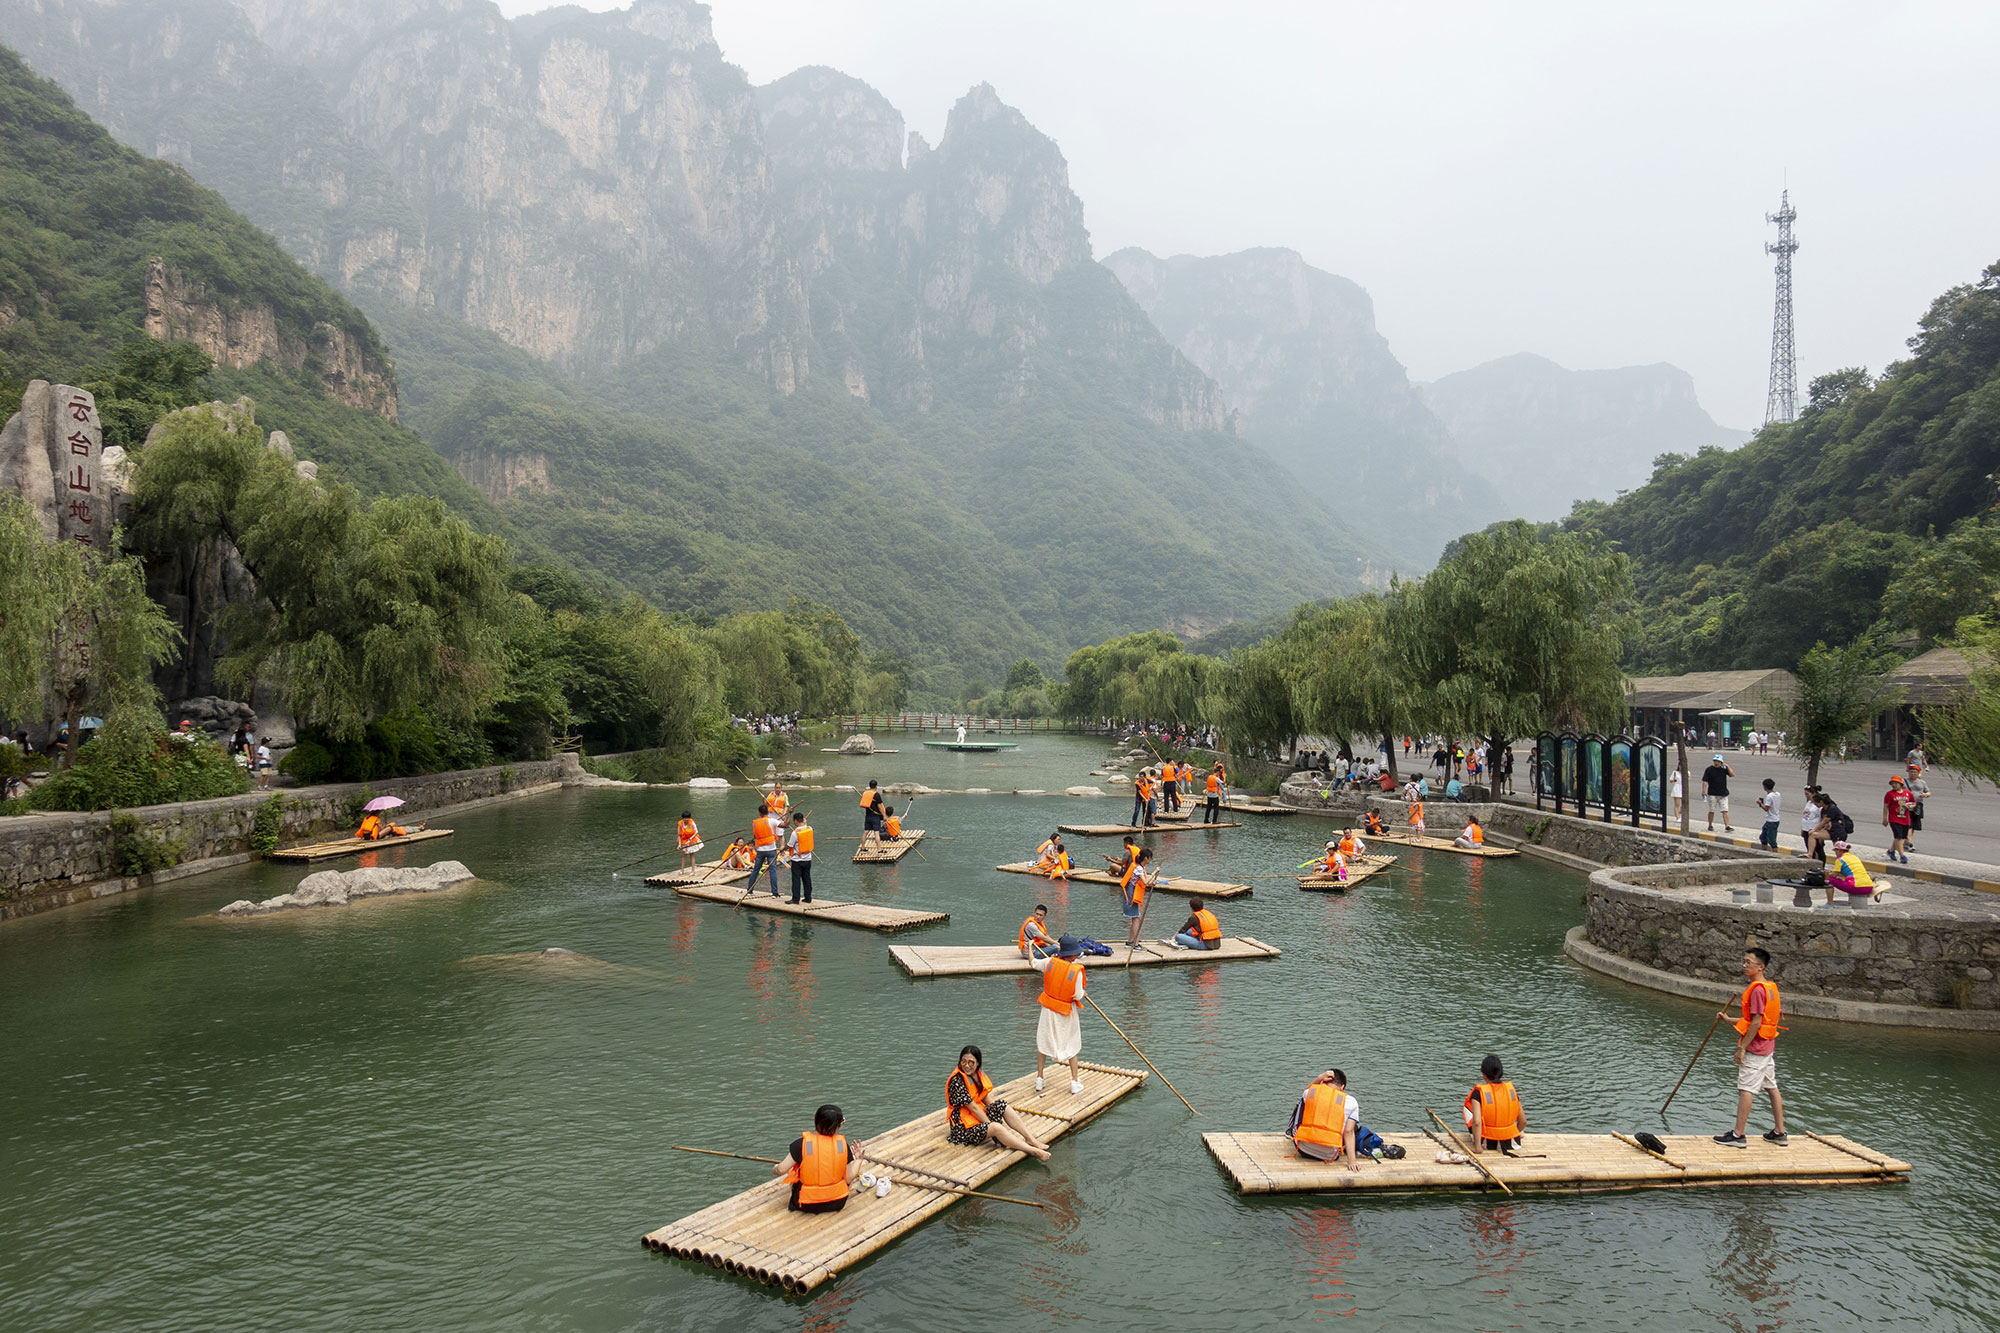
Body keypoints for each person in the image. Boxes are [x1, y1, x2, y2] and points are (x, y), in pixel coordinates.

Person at [1714, 948, 1788, 1148]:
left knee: (1746, 1089)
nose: (1744, 965)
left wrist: (1742, 1048)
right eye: (1743, 961)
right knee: (1771, 1087)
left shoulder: (1756, 990)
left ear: (1760, 967)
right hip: (1767, 1046)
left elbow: (1756, 1023)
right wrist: (1729, 1019)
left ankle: (1738, 1135)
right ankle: (1779, 1132)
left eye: (1749, 962)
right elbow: (1755, 1020)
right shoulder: (1768, 987)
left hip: (1755, 1048)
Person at [946, 1045, 1052, 1161]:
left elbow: (986, 1099)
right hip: (962, 1129)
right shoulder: (957, 1081)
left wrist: (998, 1111)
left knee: (1002, 1105)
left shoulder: (977, 1075)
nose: (966, 1066)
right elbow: (974, 1109)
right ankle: (1033, 1151)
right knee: (996, 1127)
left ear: (977, 1063)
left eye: (971, 1063)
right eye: (963, 1062)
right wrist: (991, 1127)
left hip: (975, 1119)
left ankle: (1030, 1139)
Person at [773, 1104, 868, 1212]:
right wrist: (859, 1159)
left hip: (805, 1203)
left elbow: (781, 1170)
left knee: (795, 1172)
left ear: (815, 1122)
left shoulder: (802, 1144)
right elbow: (849, 1178)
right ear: (839, 1126)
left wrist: (775, 1168)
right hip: (837, 1202)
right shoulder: (842, 1146)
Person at [1031, 936, 1087, 1095]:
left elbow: (1033, 962)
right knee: (1072, 1043)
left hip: (1048, 1009)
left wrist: (1029, 947)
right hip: (1065, 1012)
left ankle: (1039, 1079)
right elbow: (1077, 995)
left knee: (1043, 1041)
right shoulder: (1076, 972)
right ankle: (1075, 1082)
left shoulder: (1049, 962)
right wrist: (1083, 992)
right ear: (1074, 954)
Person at [1289, 1070, 1362, 1173]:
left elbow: (1304, 1094)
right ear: (1342, 1087)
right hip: (1330, 1155)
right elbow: (1348, 1132)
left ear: (1324, 1082)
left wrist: (1318, 1078)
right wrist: (1352, 1161)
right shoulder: (1351, 1101)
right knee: (1352, 1127)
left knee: (1303, 1103)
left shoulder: (1310, 1092)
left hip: (1303, 1148)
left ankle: (1291, 1132)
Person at [1462, 1055, 1526, 1154]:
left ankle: (1479, 1144)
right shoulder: (1511, 1091)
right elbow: (1523, 1121)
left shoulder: (1478, 1093)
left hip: (1487, 1142)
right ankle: (1518, 1133)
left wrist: (1477, 1148)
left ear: (1483, 1074)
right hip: (1512, 1143)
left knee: (1468, 1109)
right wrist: (1516, 1131)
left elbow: (1477, 1122)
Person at [1118, 847, 1155, 949]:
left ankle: (1130, 941)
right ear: (1146, 858)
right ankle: (1135, 944)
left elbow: (1144, 882)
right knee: (1136, 918)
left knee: (1136, 918)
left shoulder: (1141, 868)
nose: (1150, 860)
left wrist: (1152, 883)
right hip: (1131, 895)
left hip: (1133, 894)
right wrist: (1154, 872)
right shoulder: (1138, 868)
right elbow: (1145, 881)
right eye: (1150, 858)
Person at [745, 803, 781, 897]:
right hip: (771, 849)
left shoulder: (756, 822)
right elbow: (785, 825)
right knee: (772, 871)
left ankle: (749, 891)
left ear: (760, 813)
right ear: (768, 812)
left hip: (760, 850)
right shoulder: (772, 821)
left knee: (756, 870)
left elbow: (755, 835)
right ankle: (775, 893)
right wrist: (789, 814)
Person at [1882, 774, 1916, 864]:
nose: (1894, 785)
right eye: (1892, 783)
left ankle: (1891, 851)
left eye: (1896, 783)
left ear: (1900, 784)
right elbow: (1886, 807)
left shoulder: (1907, 793)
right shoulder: (1889, 794)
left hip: (1905, 818)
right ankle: (1902, 856)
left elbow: (1913, 802)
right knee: (1898, 837)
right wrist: (1885, 818)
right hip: (1894, 818)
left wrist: (1909, 806)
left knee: (1901, 837)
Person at [786, 812, 816, 903]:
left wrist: (783, 847)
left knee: (796, 880)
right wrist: (805, 823)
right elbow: (806, 826)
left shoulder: (795, 833)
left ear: (795, 821)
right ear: (803, 820)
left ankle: (795, 899)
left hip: (797, 860)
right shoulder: (810, 829)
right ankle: (808, 898)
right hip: (808, 859)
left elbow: (790, 845)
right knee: (807, 879)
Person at [1702, 753, 1733, 833]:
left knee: (1725, 810)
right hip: (1712, 793)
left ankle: (1727, 826)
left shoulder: (1724, 769)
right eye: (1715, 761)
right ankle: (1710, 825)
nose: (1716, 762)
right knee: (1711, 810)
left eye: (1718, 761)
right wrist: (1704, 791)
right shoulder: (1709, 769)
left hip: (1723, 793)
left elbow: (1732, 774)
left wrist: (1727, 766)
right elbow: (1705, 781)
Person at [1906, 765, 1930, 851]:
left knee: (1914, 826)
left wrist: (1925, 795)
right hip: (1907, 806)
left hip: (1918, 806)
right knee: (1909, 825)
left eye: (1915, 772)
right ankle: (1909, 843)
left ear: (1918, 773)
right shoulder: (1904, 782)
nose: (1912, 774)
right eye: (1911, 772)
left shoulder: (1922, 782)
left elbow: (1928, 792)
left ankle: (1907, 841)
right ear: (1908, 772)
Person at [1797, 786, 1823, 860]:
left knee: (1818, 849)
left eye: (1807, 794)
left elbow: (1821, 818)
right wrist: (1802, 828)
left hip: (1813, 828)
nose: (1806, 796)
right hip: (1806, 827)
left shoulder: (1818, 805)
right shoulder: (1808, 803)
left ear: (1813, 793)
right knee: (1809, 848)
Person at [1757, 779, 1781, 851]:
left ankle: (1775, 854)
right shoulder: (1777, 794)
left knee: (1772, 840)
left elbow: (1766, 808)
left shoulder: (1769, 797)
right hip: (1771, 819)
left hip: (1772, 820)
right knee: (1763, 837)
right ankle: (1764, 852)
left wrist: (1760, 803)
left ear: (1764, 786)